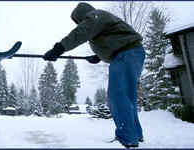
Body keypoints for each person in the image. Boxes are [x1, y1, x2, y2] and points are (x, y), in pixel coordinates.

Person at [43, 2, 145, 148]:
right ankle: (135, 135)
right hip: (131, 53)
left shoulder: (94, 15)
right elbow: (111, 39)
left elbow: (81, 32)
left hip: (125, 54)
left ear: (81, 14)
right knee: (127, 97)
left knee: (118, 96)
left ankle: (127, 138)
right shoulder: (100, 18)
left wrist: (59, 48)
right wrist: (98, 56)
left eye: (78, 20)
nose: (79, 23)